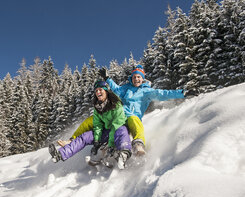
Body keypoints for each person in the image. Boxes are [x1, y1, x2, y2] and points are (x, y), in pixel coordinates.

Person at [58, 64, 187, 156]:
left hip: (131, 116)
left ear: (143, 79)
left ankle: (138, 144)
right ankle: (72, 140)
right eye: (135, 77)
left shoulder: (147, 91)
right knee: (91, 120)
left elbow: (163, 94)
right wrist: (107, 78)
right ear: (132, 78)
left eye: (139, 77)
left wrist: (182, 93)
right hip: (117, 115)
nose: (136, 79)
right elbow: (115, 89)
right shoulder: (126, 88)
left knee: (135, 121)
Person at [49, 80, 132, 169]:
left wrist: (111, 144)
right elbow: (98, 126)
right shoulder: (98, 108)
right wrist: (96, 141)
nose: (98, 92)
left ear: (106, 91)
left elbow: (117, 125)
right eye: (96, 91)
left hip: (119, 131)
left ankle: (124, 154)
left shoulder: (116, 104)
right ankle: (60, 154)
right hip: (107, 132)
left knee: (121, 129)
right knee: (86, 136)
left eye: (100, 90)